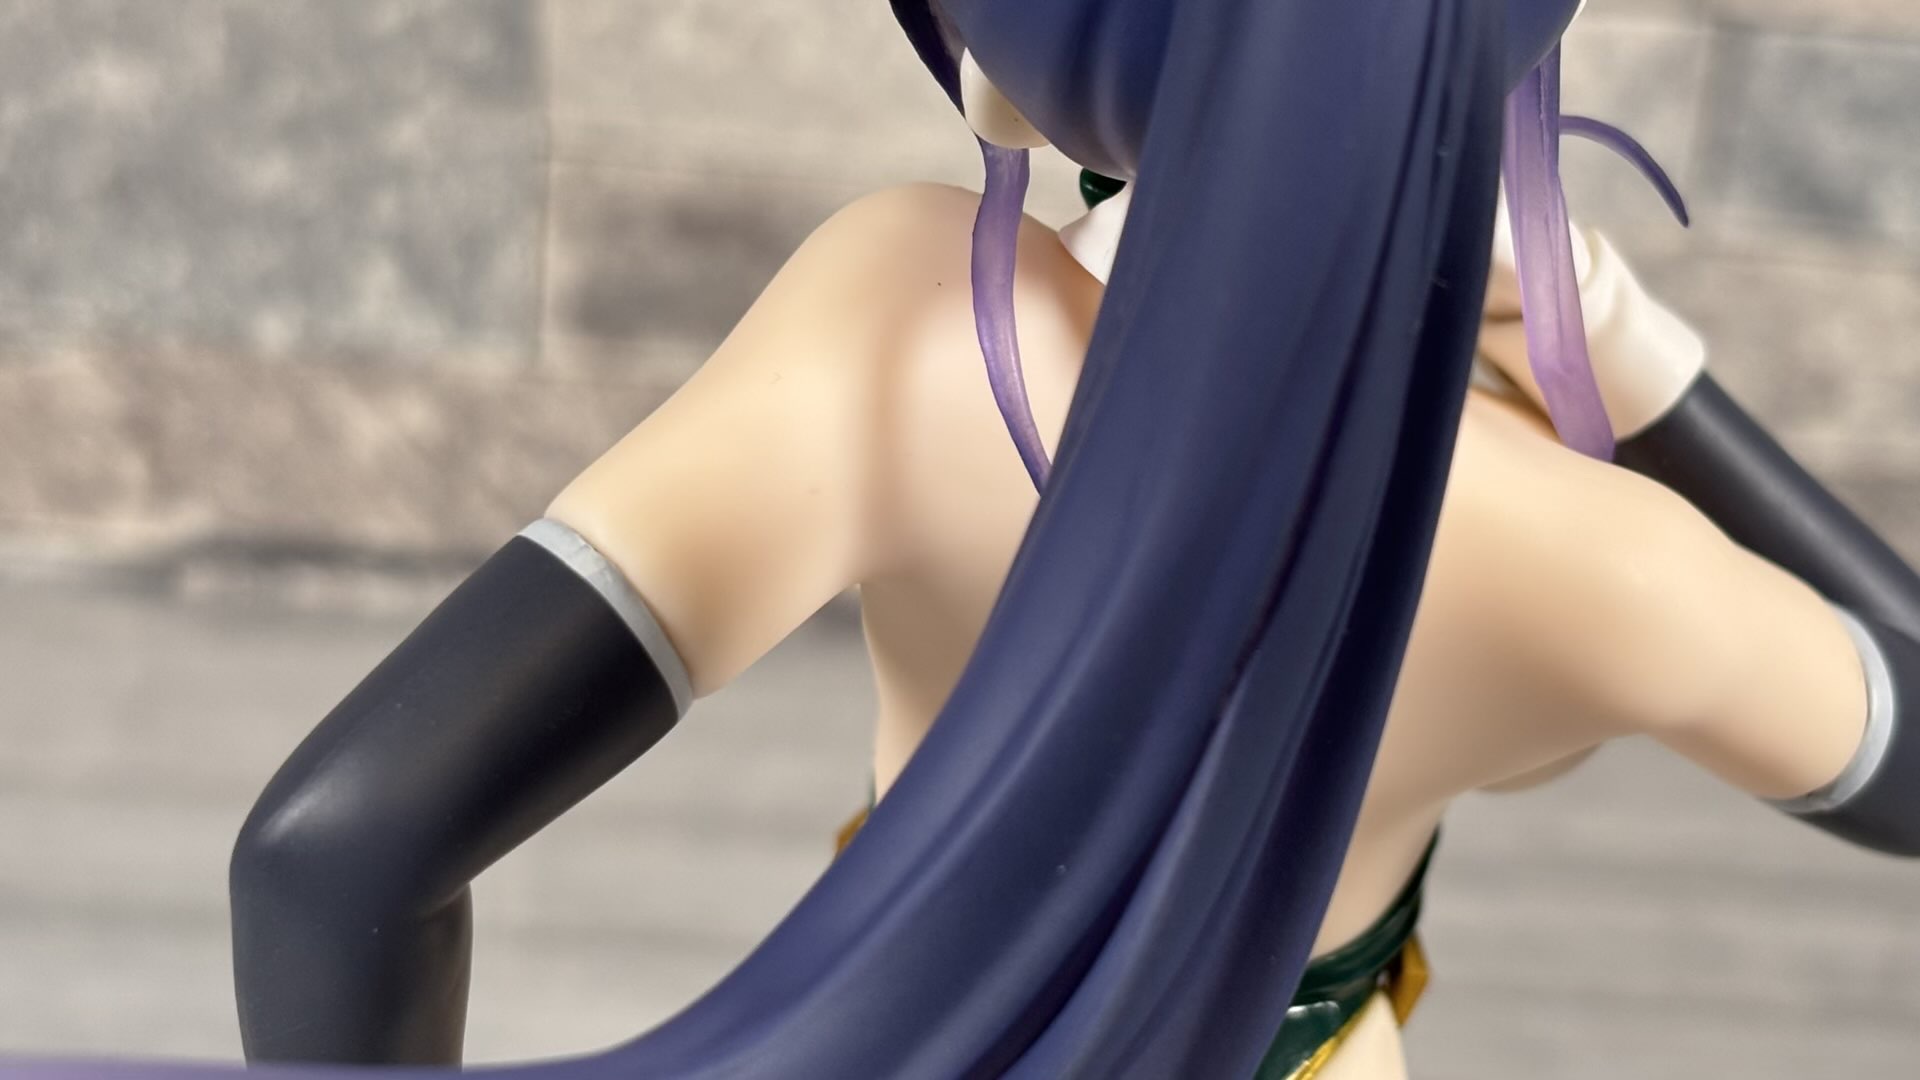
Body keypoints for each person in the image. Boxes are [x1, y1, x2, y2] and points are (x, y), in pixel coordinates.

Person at [17, 2, 1915, 1078]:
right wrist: (1634, 355)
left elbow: (330, 853)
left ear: (1009, 67)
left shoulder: (903, 329)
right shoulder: (1592, 557)